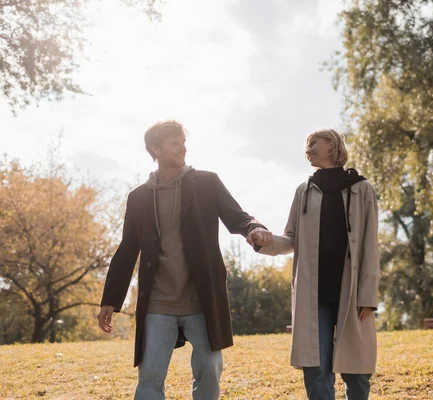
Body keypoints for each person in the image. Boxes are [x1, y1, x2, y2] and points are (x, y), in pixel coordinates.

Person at [97, 120, 273, 400]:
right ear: (156, 149)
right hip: (157, 300)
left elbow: (236, 216)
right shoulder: (139, 197)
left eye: (183, 142)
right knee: (150, 375)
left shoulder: (206, 182)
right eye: (175, 143)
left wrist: (254, 228)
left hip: (201, 297)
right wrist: (110, 299)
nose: (183, 148)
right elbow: (128, 248)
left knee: (208, 368)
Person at [251, 128, 380, 399]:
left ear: (332, 145)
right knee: (316, 368)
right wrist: (264, 241)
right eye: (306, 146)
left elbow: (370, 244)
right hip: (315, 295)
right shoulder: (304, 192)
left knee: (356, 369)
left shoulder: (362, 189)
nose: (307, 150)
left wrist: (368, 294)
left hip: (352, 292)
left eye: (313, 144)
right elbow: (290, 239)